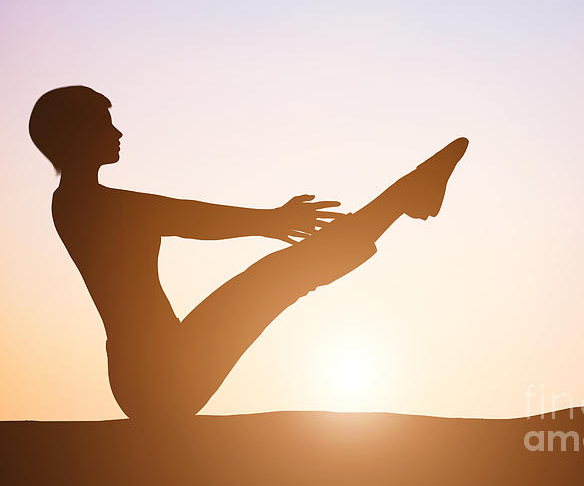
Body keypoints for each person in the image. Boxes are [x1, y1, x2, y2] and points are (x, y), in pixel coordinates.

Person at [29, 85, 468, 419]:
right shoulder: (85, 204)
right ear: (76, 134)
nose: (117, 131)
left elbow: (172, 215)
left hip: (160, 362)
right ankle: (406, 193)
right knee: (282, 276)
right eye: (105, 123)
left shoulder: (77, 202)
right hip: (159, 378)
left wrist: (270, 222)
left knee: (280, 275)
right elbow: (182, 217)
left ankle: (406, 194)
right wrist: (270, 221)